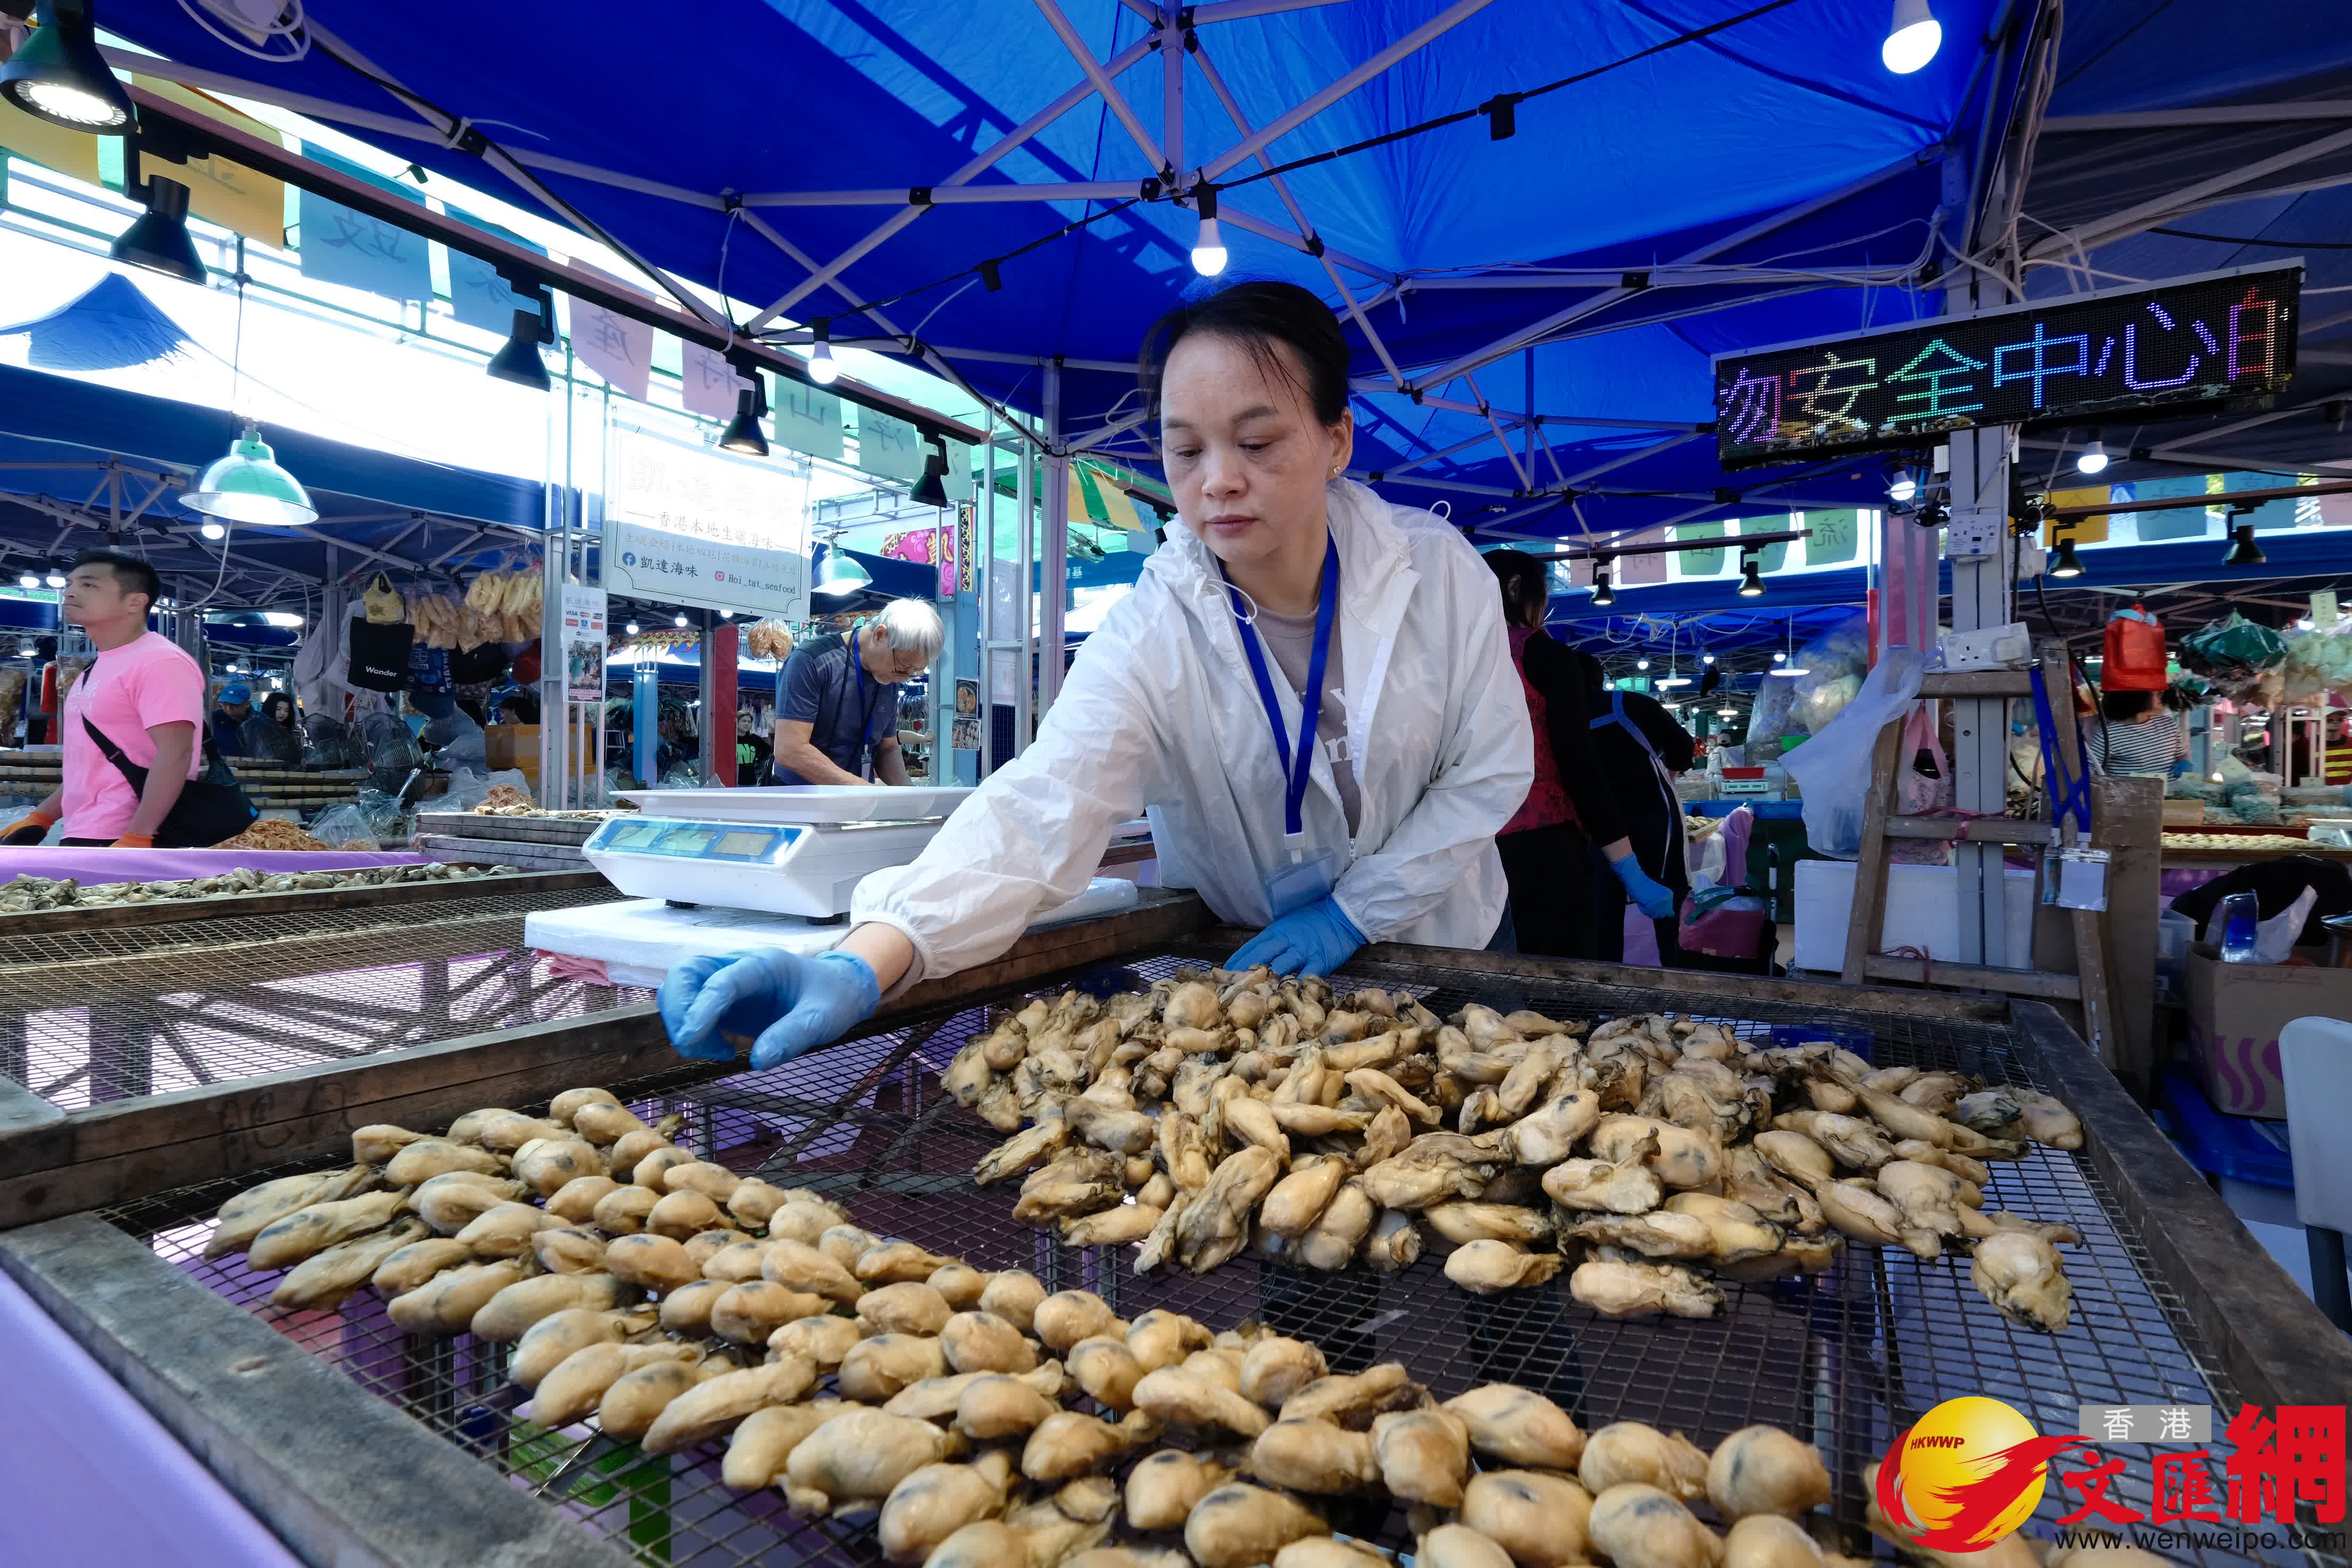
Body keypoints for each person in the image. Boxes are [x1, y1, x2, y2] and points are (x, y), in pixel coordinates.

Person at [656, 280, 1532, 1069]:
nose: (1219, 480)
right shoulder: (1154, 628)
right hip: (1263, 978)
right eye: (1184, 451)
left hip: (1447, 954)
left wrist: (1356, 910)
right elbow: (1042, 803)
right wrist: (865, 956)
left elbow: (1489, 769)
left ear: (1337, 439)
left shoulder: (1436, 573)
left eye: (1257, 441)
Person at [1481, 551, 1679, 958]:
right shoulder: (1546, 657)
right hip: (1542, 849)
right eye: (1543, 596)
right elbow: (1579, 766)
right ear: (1517, 588)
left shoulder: (1453, 657)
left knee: (1486, 978)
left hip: (1471, 847)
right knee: (1554, 988)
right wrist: (1629, 869)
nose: (1543, 610)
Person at [0, 551, 202, 847]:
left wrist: (139, 834)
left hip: (129, 837)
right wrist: (42, 816)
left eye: (89, 585)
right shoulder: (95, 667)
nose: (70, 593)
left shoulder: (160, 661)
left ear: (136, 601)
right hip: (86, 831)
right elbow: (93, 764)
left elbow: (177, 753)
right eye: (70, 584)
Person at [1579, 650, 1697, 966]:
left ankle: (1607, 993)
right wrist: (1672, 769)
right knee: (1667, 898)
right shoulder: (1633, 703)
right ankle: (1675, 981)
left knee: (1605, 910)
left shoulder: (1562, 715)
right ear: (1599, 680)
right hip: (1655, 818)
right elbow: (1684, 747)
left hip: (1599, 826)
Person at [770, 599, 943, 787]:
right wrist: (863, 791)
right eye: (903, 668)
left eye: (913, 672)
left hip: (857, 803)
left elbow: (887, 747)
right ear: (880, 635)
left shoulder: (889, 675)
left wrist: (910, 800)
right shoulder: (812, 661)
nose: (904, 678)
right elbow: (791, 750)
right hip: (801, 803)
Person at [2089, 688, 2185, 778]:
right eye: (2157, 693)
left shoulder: (2168, 724)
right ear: (2139, 697)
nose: (2162, 697)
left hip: (2173, 794)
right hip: (2133, 794)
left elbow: (2181, 753)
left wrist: (2184, 763)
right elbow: (2090, 768)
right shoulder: (2108, 736)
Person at [239, 691, 304, 766]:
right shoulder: (257, 727)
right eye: (279, 709)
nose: (283, 713)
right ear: (270, 707)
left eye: (287, 710)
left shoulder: (290, 731)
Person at [207, 678, 254, 762]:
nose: (229, 709)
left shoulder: (260, 722)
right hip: (222, 767)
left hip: (255, 769)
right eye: (224, 704)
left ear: (248, 704)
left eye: (234, 705)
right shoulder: (214, 718)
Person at [734, 707, 773, 786]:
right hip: (733, 781)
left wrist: (758, 764)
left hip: (750, 781)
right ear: (737, 722)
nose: (747, 724)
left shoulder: (754, 739)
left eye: (749, 722)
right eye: (744, 721)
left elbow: (768, 751)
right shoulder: (731, 739)